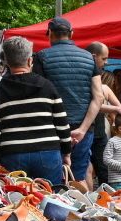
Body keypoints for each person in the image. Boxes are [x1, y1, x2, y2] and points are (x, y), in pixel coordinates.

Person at [34, 17, 106, 185]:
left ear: (50, 34)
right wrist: (82, 129)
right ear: (71, 34)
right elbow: (99, 97)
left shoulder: (42, 57)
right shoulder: (89, 58)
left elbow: (40, 96)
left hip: (52, 129)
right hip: (84, 130)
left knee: (52, 179)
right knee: (78, 177)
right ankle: (81, 211)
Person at [0, 37, 71, 185]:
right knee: (50, 198)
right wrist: (66, 152)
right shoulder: (47, 86)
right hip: (48, 152)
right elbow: (62, 123)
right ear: (29, 60)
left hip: (12, 153)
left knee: (15, 201)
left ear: (7, 62)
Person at [85, 42, 121, 187]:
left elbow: (119, 108)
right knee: (86, 170)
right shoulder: (86, 85)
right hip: (87, 131)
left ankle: (106, 200)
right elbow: (97, 106)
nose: (107, 62)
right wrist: (117, 110)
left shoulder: (105, 88)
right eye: (104, 58)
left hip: (99, 132)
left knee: (102, 170)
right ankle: (90, 202)